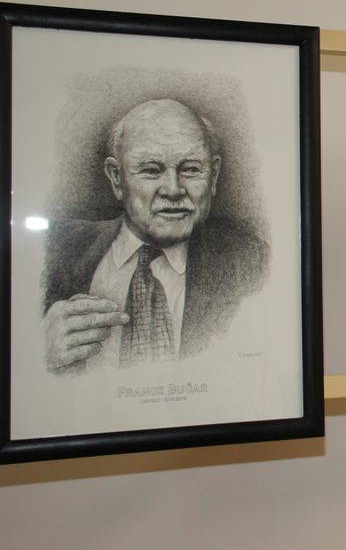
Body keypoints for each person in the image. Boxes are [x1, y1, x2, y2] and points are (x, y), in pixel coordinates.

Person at [42, 99, 267, 373]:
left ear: (214, 175)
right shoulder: (57, 252)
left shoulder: (249, 262)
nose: (173, 189)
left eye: (191, 169)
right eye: (151, 170)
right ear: (116, 178)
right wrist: (36, 350)